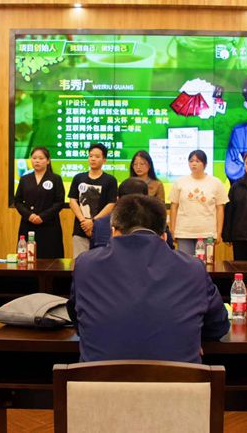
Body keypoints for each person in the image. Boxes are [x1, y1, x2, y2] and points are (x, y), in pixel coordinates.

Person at [68, 194, 230, 363]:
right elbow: (218, 326)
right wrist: (189, 337)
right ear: (164, 236)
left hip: (98, 377)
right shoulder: (193, 268)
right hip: (179, 377)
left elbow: (79, 320)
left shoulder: (86, 265)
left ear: (113, 232)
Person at [169, 150, 228, 256]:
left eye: (197, 161)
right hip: (184, 232)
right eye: (191, 161)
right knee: (185, 262)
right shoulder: (180, 182)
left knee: (205, 263)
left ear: (205, 164)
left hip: (207, 232)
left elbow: (220, 208)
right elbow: (174, 207)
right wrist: (173, 230)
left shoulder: (216, 182)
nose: (194, 164)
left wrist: (219, 232)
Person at [90, 177, 174, 250]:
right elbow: (170, 249)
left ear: (118, 199)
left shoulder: (100, 223)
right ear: (146, 198)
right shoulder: (157, 221)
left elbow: (94, 252)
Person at [13, 147, 65, 258]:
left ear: (48, 161)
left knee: (50, 257)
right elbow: (18, 201)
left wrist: (42, 217)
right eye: (34, 158)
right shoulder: (25, 179)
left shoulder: (56, 179)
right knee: (27, 257)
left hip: (49, 225)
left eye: (41, 158)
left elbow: (59, 202)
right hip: (28, 223)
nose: (37, 161)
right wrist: (29, 215)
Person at [68, 143, 118, 258]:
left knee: (101, 262)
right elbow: (72, 201)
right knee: (80, 261)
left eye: (97, 156)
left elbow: (111, 204)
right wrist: (83, 221)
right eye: (91, 156)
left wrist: (93, 221)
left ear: (104, 160)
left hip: (101, 230)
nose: (93, 159)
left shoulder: (110, 180)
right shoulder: (78, 178)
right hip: (80, 229)